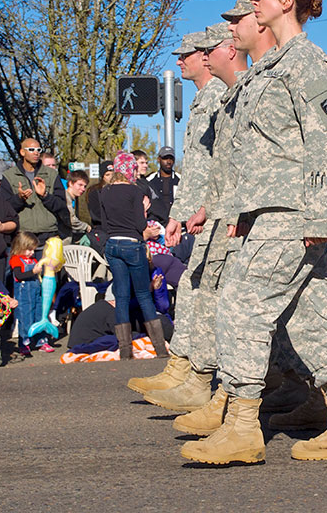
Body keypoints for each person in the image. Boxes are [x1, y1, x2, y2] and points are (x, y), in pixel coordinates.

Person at [180, 0, 327, 465]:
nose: (253, 5)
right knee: (314, 320)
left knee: (240, 306)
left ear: (286, 0)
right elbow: (252, 155)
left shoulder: (308, 65)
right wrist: (235, 210)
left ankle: (243, 425)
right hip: (265, 213)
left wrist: (318, 217)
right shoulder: (271, 70)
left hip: (291, 215)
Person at [142, 21, 248, 415]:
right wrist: (181, 213)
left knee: (213, 296)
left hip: (223, 213)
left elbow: (224, 165)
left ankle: (205, 379)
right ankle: (188, 370)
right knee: (195, 290)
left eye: (188, 55)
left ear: (208, 55)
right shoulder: (207, 99)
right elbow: (201, 168)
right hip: (209, 212)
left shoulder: (220, 96)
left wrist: (209, 210)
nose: (184, 61)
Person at [100, 151, 169, 359]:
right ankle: (159, 348)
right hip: (132, 244)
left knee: (121, 295)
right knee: (143, 295)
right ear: (131, 169)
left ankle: (125, 350)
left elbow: (104, 225)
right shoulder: (135, 192)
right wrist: (144, 210)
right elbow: (141, 225)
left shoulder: (104, 192)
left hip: (112, 244)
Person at [2, 138, 70, 251]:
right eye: (31, 149)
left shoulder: (52, 175)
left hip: (48, 235)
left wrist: (45, 196)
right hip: (22, 236)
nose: (36, 152)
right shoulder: (9, 176)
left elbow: (61, 205)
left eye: (38, 149)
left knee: (49, 269)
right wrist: (19, 199)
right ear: (22, 152)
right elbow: (4, 208)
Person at [9, 231, 55, 356]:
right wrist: (33, 272)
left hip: (36, 292)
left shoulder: (32, 260)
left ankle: (42, 341)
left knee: (40, 316)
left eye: (33, 250)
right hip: (24, 295)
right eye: (29, 250)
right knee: (26, 318)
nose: (32, 253)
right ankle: (24, 343)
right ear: (20, 247)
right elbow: (18, 275)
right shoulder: (16, 259)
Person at [147, 146, 180, 219]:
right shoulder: (149, 180)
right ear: (159, 159)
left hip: (176, 222)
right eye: (165, 158)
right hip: (156, 223)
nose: (168, 161)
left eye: (171, 158)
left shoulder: (181, 180)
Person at [64, 169, 91, 244]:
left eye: (85, 186)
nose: (83, 189)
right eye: (80, 185)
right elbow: (72, 220)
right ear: (71, 183)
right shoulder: (66, 198)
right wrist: (86, 227)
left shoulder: (72, 199)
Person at [84, 160, 113, 228]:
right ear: (102, 177)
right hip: (101, 229)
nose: (111, 177)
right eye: (107, 175)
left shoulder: (120, 190)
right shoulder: (94, 192)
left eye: (113, 174)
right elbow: (95, 214)